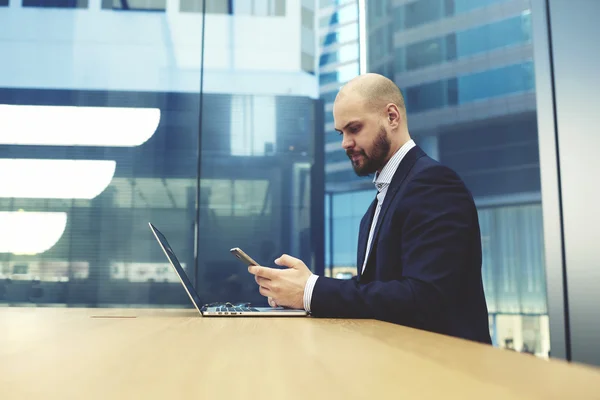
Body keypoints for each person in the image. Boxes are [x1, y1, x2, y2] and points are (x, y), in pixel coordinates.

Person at [248, 73, 492, 344]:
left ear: (392, 117)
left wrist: (311, 291)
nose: (345, 143)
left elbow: (425, 297)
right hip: (405, 365)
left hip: (447, 371)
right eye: (341, 133)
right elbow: (378, 292)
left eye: (354, 129)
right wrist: (299, 291)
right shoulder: (377, 205)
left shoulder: (434, 184)